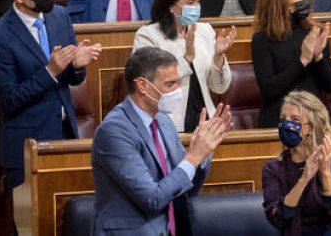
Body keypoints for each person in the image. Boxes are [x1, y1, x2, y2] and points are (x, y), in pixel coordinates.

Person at [0, 0, 97, 189]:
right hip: (27, 146)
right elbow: (9, 100)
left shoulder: (60, 16)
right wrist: (50, 71)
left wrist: (77, 67)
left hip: (66, 136)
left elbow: (71, 78)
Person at [91, 48, 232, 234]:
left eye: (177, 83)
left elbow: (185, 188)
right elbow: (152, 199)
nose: (177, 91)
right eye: (169, 84)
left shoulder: (163, 121)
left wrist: (203, 151)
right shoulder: (114, 131)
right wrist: (193, 157)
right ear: (142, 85)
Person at [132, 0, 235, 131]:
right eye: (190, 3)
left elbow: (219, 87)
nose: (196, 8)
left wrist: (219, 57)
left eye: (198, 2)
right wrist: (187, 58)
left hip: (205, 120)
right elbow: (149, 83)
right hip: (168, 122)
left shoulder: (205, 31)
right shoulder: (148, 36)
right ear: (170, 5)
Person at [251, 0, 331, 128]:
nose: (306, 0)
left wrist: (318, 57)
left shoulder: (315, 32)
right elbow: (269, 89)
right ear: (282, 2)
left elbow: (330, 85)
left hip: (313, 119)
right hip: (279, 120)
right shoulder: (262, 39)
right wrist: (302, 61)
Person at [262, 91, 331, 233]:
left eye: (295, 119)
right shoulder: (273, 168)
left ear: (312, 127)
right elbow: (278, 219)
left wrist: (325, 173)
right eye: (283, 119)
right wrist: (303, 179)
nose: (286, 124)